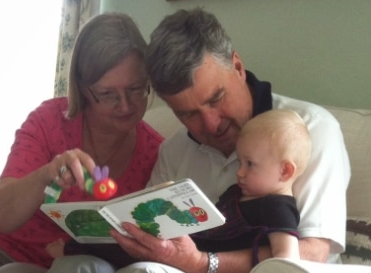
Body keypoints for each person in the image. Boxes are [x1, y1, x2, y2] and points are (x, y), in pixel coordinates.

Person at [110, 8, 350, 273]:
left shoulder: (312, 128)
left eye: (216, 99)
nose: (212, 124)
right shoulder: (173, 151)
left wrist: (202, 263)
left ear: (237, 67)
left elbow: (312, 254)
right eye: (189, 114)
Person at [0, 12, 163, 273]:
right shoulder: (49, 121)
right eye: (107, 94)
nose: (125, 105)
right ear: (83, 89)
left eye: (136, 89)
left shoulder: (157, 152)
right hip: (2, 249)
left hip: (81, 264)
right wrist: (46, 175)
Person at [234, 109, 311, 265]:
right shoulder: (238, 191)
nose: (239, 172)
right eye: (239, 162)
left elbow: (286, 258)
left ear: (285, 171)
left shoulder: (277, 207)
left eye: (250, 164)